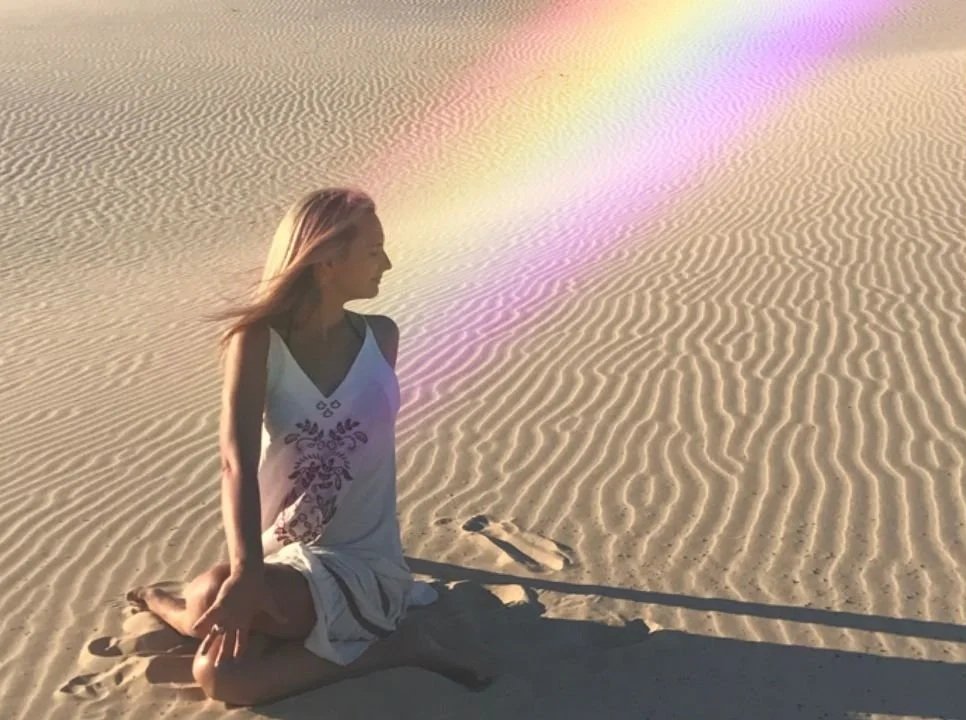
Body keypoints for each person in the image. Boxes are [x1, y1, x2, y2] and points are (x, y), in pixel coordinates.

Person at [127, 188, 491, 706]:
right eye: (373, 250)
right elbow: (235, 462)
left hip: (363, 565)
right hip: (280, 560)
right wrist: (249, 569)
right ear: (325, 259)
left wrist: (248, 578)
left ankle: (395, 647)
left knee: (218, 639)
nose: (387, 262)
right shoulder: (255, 342)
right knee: (217, 627)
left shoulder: (381, 337)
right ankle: (165, 601)